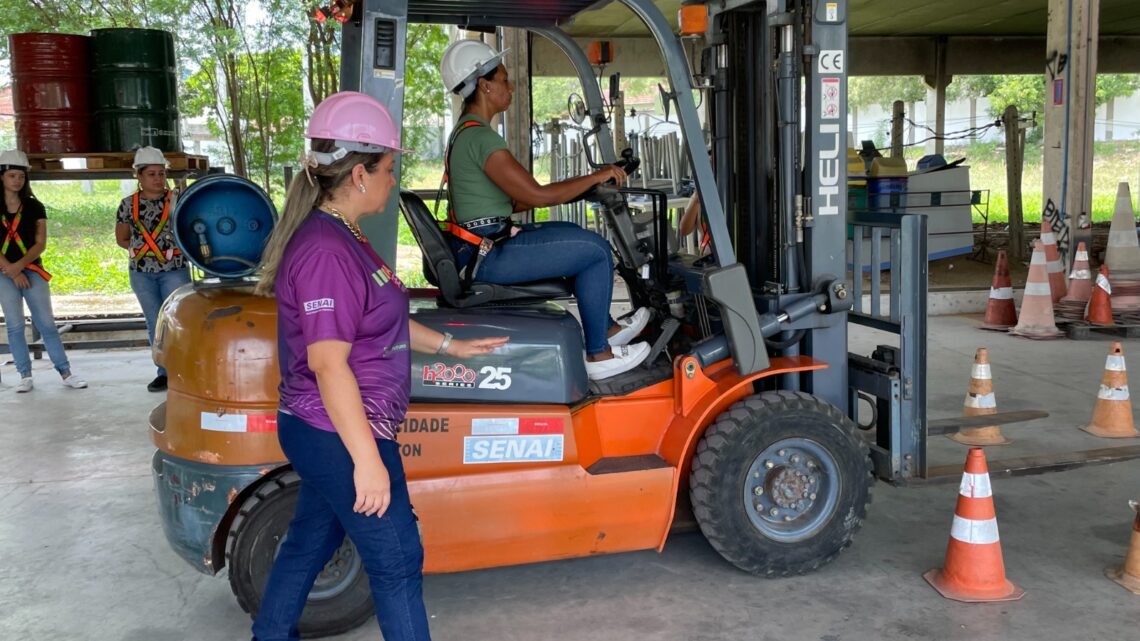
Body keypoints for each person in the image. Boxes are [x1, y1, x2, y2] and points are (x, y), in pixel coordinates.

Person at [251, 91, 507, 641]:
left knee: (308, 542)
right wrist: (366, 461)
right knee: (396, 560)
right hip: (339, 430)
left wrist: (451, 348)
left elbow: (378, 318)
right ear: (360, 174)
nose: (394, 181)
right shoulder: (325, 250)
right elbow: (327, 363)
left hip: (337, 427)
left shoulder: (347, 235)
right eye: (390, 169)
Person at [439, 40, 651, 381]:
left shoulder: (467, 134)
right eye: (504, 79)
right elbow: (536, 196)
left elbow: (516, 200)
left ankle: (606, 329)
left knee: (578, 239)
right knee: (594, 251)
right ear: (484, 84)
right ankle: (598, 353)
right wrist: (597, 175)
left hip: (483, 244)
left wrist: (579, 189)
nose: (510, 87)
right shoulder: (481, 139)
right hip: (488, 254)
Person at [0, 150, 87, 393]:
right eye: (12, 175)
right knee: (15, 324)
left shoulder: (34, 206)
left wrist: (20, 267)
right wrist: (11, 270)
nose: (17, 180)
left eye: (21, 176)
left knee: (46, 323)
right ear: (2, 177)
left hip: (32, 268)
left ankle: (65, 371)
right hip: (4, 272)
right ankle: (25, 375)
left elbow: (40, 243)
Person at [115, 146, 191, 392]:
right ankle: (164, 372)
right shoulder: (128, 205)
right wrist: (147, 252)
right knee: (154, 322)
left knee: (178, 320)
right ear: (139, 176)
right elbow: (122, 238)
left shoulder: (178, 200)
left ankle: (183, 370)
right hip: (142, 273)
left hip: (174, 269)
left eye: (161, 173)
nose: (158, 179)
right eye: (152, 174)